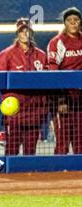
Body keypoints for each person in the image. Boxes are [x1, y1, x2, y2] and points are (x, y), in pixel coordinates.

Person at [0, 18, 48, 155]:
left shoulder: (41, 55)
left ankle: (29, 175)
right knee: (12, 150)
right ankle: (9, 176)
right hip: (15, 112)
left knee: (30, 151)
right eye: (21, 31)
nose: (25, 34)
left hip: (35, 112)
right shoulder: (6, 54)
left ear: (32, 32)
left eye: (27, 30)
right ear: (17, 33)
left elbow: (48, 82)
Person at [47, 7, 82, 154]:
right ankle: (59, 173)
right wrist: (61, 99)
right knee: (63, 140)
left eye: (76, 20)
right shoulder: (57, 42)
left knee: (80, 141)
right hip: (64, 99)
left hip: (80, 100)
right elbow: (54, 71)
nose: (73, 23)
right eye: (69, 20)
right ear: (65, 23)